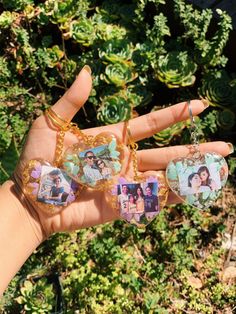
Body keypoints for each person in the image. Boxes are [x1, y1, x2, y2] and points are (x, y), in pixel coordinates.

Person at [0, 65, 233, 295]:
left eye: (204, 176)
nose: (202, 175)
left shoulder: (152, 183)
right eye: (203, 174)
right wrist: (25, 206)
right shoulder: (76, 164)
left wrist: (25, 212)